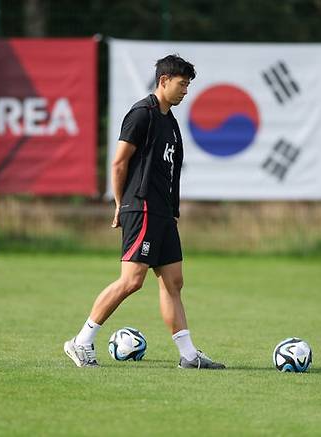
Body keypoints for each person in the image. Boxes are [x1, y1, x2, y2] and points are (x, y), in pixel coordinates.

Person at [64, 54, 225, 370]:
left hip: (163, 213)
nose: (185, 91)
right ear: (164, 80)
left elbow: (170, 172)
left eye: (188, 85)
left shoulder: (172, 123)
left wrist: (173, 211)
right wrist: (120, 204)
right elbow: (119, 162)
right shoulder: (142, 114)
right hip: (142, 207)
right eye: (182, 84)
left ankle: (189, 356)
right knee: (132, 280)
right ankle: (80, 341)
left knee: (173, 282)